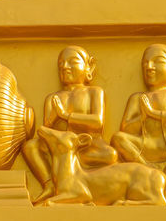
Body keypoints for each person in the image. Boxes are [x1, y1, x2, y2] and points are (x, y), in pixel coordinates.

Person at [110, 43, 166, 205]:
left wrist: (152, 114)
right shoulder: (137, 98)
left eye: (158, 61)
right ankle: (148, 170)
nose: (150, 67)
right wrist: (143, 117)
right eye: (145, 63)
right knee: (118, 138)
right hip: (146, 145)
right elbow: (126, 128)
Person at [22, 45, 116, 203]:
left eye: (72, 62)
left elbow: (98, 122)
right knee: (29, 147)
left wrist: (65, 116)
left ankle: (89, 183)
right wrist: (52, 119)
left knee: (111, 155)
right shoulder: (53, 98)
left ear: (88, 67)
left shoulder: (94, 92)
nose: (65, 67)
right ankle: (50, 185)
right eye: (61, 65)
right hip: (60, 149)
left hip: (88, 145)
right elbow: (46, 132)